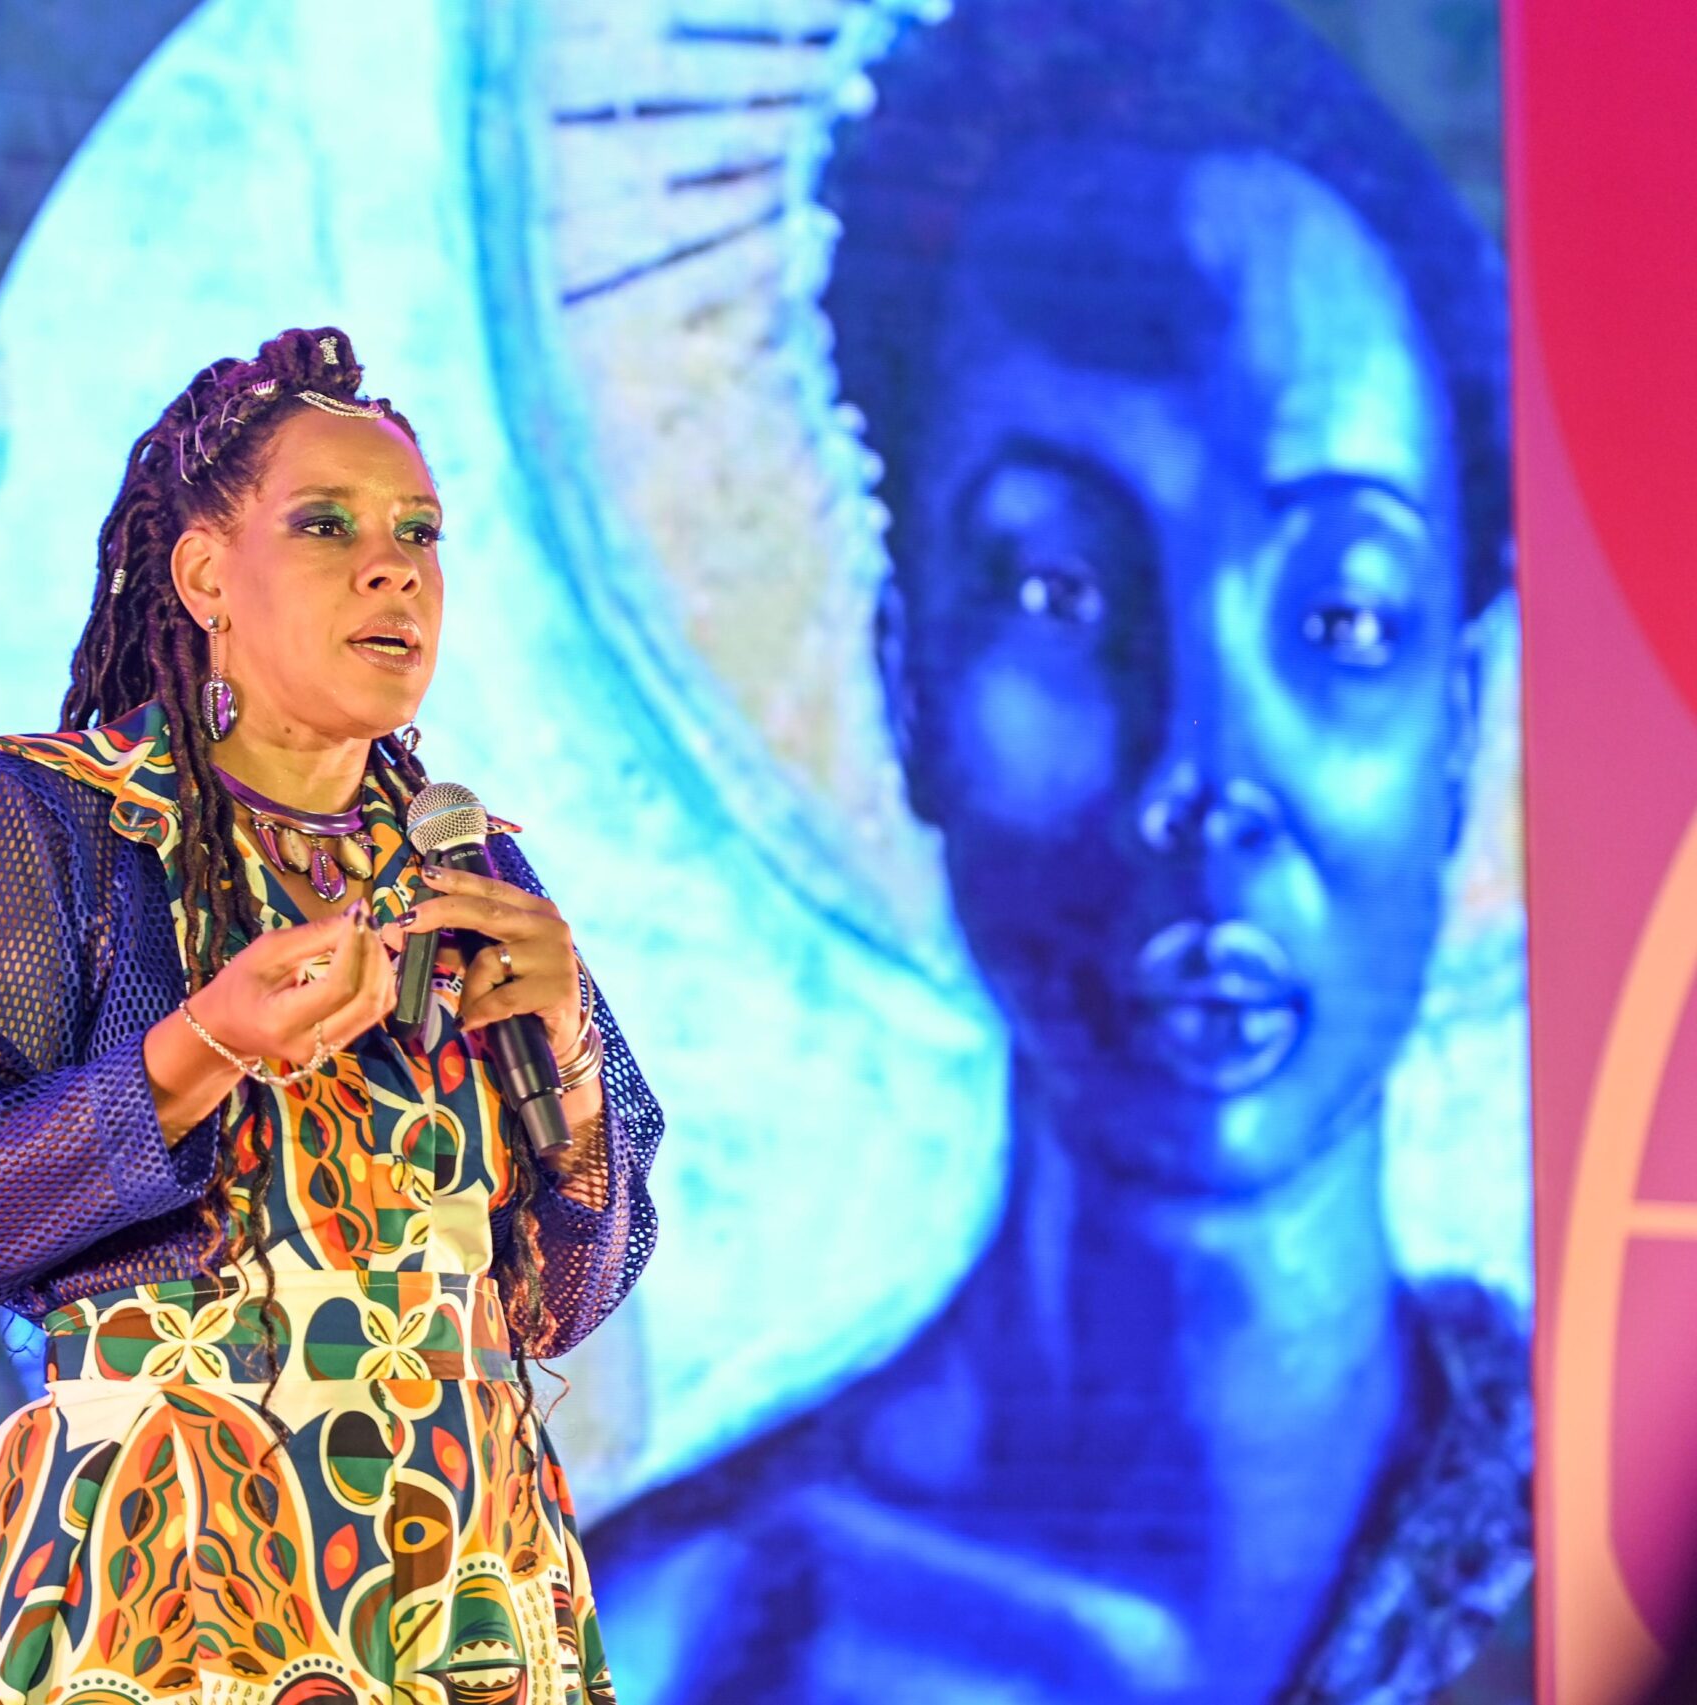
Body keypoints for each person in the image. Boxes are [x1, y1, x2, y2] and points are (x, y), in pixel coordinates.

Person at [588, 3, 1527, 1701]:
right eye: (1059, 590)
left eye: (1341, 614)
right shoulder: (677, 1646)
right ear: (909, 684)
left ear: (1458, 723)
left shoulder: (1610, 1551)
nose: (1202, 774)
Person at [0, 327, 661, 1703]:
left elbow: (558, 1303)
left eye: (420, 532)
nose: (394, 567)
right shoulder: (57, 820)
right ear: (202, 578)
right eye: (326, 525)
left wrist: (572, 1054)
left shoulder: (472, 867)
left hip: (458, 1572)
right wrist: (203, 1049)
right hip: (174, 1548)